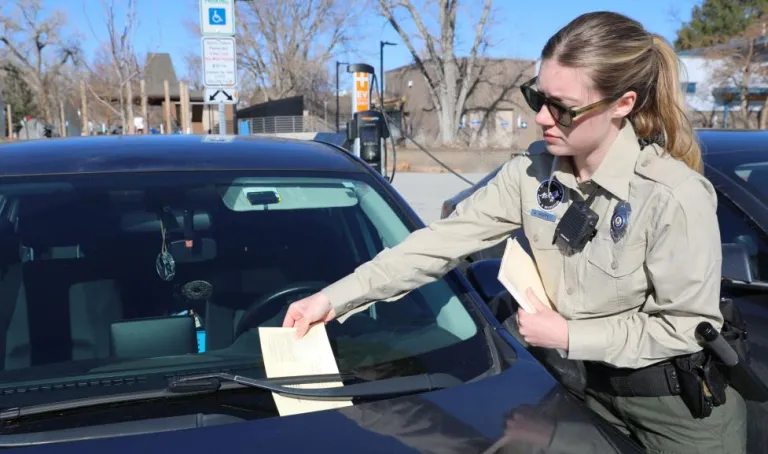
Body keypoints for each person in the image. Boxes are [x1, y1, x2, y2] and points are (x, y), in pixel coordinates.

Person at [282, 10, 747, 454]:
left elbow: (686, 328)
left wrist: (568, 335)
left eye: (562, 109)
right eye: (536, 98)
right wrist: (334, 299)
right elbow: (437, 244)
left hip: (676, 412)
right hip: (577, 392)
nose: (542, 118)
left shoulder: (673, 194)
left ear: (622, 105)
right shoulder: (530, 176)